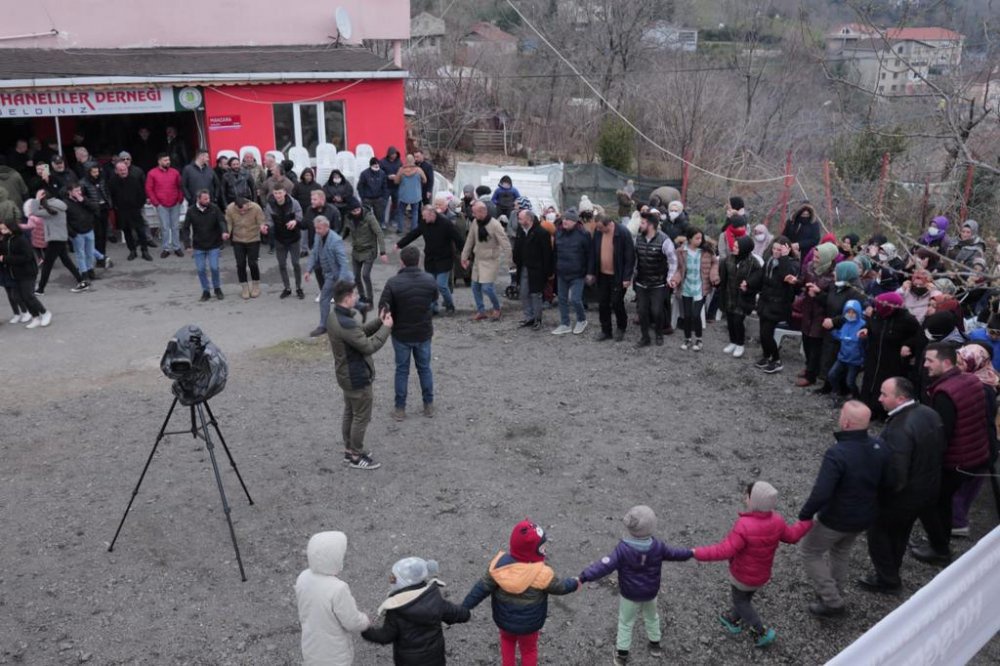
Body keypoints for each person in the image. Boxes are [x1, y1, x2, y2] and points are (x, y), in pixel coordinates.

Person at [798, 401, 890, 616]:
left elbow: (821, 491)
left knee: (809, 552)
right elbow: (888, 481)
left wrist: (805, 514)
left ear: (846, 422)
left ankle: (831, 600)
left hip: (836, 518)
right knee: (841, 551)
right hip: (863, 516)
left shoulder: (837, 453)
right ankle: (835, 591)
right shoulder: (880, 447)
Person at [693, 482, 812, 647]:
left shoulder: (744, 525)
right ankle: (733, 618)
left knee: (740, 600)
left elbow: (725, 550)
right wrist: (807, 522)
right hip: (761, 575)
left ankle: (760, 631)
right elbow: (792, 536)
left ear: (754, 501)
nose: (744, 497)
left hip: (742, 576)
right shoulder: (777, 520)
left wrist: (697, 552)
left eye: (747, 495)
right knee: (745, 598)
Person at [860, 377, 945, 593]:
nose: (879, 398)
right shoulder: (929, 413)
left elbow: (896, 473)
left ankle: (887, 580)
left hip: (903, 497)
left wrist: (877, 496)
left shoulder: (899, 428)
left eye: (884, 394)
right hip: (926, 490)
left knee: (879, 534)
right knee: (900, 533)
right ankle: (891, 572)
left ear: (901, 398)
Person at [579, 506, 693, 665]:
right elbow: (675, 553)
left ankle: (621, 656)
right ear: (652, 527)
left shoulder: (623, 549)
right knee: (652, 617)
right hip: (651, 593)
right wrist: (691, 552)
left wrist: (583, 577)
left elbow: (603, 566)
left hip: (629, 595)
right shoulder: (658, 546)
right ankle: (655, 646)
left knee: (625, 623)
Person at [911, 342, 992, 565]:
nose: (925, 365)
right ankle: (940, 541)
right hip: (974, 455)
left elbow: (941, 433)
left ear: (946, 363)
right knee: (942, 501)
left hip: (957, 461)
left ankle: (939, 549)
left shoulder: (945, 392)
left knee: (928, 501)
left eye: (929, 361)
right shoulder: (971, 380)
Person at [462, 520, 580, 666]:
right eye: (542, 547)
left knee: (507, 642)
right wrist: (575, 583)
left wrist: (464, 607)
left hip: (504, 620)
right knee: (529, 650)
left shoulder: (498, 566)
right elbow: (561, 587)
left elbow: (480, 588)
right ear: (533, 551)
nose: (546, 550)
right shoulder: (542, 573)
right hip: (529, 625)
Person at [327, 279, 390, 469]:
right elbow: (369, 345)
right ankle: (355, 455)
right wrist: (387, 327)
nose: (356, 296)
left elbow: (359, 332)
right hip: (356, 377)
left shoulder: (335, 316)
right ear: (347, 298)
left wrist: (379, 321)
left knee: (350, 412)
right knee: (361, 417)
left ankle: (349, 450)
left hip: (345, 375)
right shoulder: (346, 324)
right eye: (354, 294)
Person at [361, 556, 470, 665]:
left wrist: (365, 629)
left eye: (393, 578)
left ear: (404, 582)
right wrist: (466, 612)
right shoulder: (435, 600)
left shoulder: (397, 609)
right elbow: (458, 614)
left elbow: (385, 636)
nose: (390, 580)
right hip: (435, 659)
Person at [379, 246, 439, 420]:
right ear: (419, 260)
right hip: (423, 332)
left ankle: (400, 409)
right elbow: (434, 299)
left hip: (401, 334)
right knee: (425, 369)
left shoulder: (393, 282)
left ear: (402, 262)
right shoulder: (429, 280)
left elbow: (383, 308)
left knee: (402, 370)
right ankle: (428, 405)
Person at [295, 531, 371, 665]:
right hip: (335, 656)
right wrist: (365, 621)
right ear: (335, 560)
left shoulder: (303, 577)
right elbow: (351, 621)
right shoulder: (338, 589)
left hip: (310, 647)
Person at [950, 344, 999, 537]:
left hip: (979, 446)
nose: (958, 365)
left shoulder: (981, 388)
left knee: (963, 487)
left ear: (976, 363)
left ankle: (957, 523)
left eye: (963, 362)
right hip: (980, 446)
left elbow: (983, 422)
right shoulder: (984, 378)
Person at [858, 292, 922, 420]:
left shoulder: (907, 319)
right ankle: (867, 407)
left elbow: (918, 336)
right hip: (874, 356)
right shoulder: (877, 315)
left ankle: (884, 412)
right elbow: (870, 324)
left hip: (892, 360)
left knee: (887, 387)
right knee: (869, 381)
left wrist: (908, 345)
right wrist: (866, 329)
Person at [396, 203, 464, 317]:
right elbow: (414, 234)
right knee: (430, 285)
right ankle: (433, 308)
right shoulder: (424, 223)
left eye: (425, 216)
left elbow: (458, 239)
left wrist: (465, 256)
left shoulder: (446, 224)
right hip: (430, 259)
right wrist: (400, 244)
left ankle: (450, 305)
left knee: (441, 285)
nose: (423, 218)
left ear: (432, 214)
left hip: (444, 259)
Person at [795, 242, 839, 387]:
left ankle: (811, 376)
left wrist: (818, 293)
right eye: (814, 255)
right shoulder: (809, 267)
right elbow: (802, 282)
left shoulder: (833, 276)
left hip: (821, 314)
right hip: (807, 311)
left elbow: (832, 300)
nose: (814, 259)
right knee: (806, 341)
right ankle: (809, 367)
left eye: (818, 257)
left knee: (815, 346)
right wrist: (796, 282)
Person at [587, 212, 635, 342]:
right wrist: (591, 272)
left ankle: (621, 327)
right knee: (602, 303)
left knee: (616, 302)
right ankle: (605, 330)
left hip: (617, 276)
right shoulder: (598, 233)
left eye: (600, 227)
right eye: (597, 227)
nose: (598, 229)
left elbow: (630, 257)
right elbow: (593, 253)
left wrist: (627, 277)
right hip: (602, 275)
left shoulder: (623, 233)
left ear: (609, 224)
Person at [632, 211, 678, 348]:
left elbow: (673, 261)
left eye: (643, 222)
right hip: (641, 282)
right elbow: (634, 260)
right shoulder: (638, 239)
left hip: (658, 283)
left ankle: (659, 334)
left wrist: (670, 278)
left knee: (657, 311)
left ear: (651, 225)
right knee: (642, 311)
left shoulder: (665, 240)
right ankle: (645, 337)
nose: (640, 225)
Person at [755, 237, 799, 373]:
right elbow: (760, 277)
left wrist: (784, 257)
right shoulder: (769, 261)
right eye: (774, 248)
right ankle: (766, 355)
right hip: (765, 302)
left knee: (767, 333)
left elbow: (784, 276)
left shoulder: (791, 264)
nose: (775, 252)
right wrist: (749, 284)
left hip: (778, 304)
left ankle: (776, 359)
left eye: (779, 249)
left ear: (787, 250)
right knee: (762, 333)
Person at [461, 200, 512, 322]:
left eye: (474, 213)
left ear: (482, 211)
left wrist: (509, 261)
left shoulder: (495, 225)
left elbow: (505, 244)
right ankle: (481, 311)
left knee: (487, 287)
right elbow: (470, 240)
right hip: (478, 259)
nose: (473, 215)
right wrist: (464, 256)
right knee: (475, 287)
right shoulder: (475, 222)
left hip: (491, 260)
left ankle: (497, 308)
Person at [29, 191, 88, 294]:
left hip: (55, 239)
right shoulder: (58, 205)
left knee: (47, 264)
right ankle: (82, 281)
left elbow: (33, 212)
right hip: (61, 237)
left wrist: (36, 199)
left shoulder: (50, 209)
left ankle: (41, 289)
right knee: (66, 261)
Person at [714, 234, 762, 357]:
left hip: (743, 297)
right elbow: (723, 278)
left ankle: (740, 344)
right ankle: (733, 342)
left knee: (738, 320)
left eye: (736, 246)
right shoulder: (728, 260)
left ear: (745, 248)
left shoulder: (753, 263)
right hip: (729, 295)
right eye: (734, 245)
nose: (733, 248)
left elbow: (758, 280)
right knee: (730, 320)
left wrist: (748, 284)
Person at [305, 217, 354, 337]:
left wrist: (340, 282)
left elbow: (343, 263)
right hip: (328, 274)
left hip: (337, 276)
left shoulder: (336, 240)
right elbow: (314, 253)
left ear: (327, 227)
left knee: (325, 298)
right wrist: (308, 270)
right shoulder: (318, 236)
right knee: (342, 301)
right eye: (315, 228)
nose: (316, 231)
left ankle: (324, 326)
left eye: (319, 228)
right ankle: (347, 321)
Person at [0, 219, 51, 328]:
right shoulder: (5, 240)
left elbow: (26, 257)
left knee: (28, 296)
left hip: (27, 272)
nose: (3, 231)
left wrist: (5, 258)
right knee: (19, 296)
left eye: (5, 228)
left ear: (12, 228)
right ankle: (35, 317)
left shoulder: (21, 239)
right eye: (2, 229)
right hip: (14, 273)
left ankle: (45, 313)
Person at [341, 197, 387, 309]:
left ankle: (370, 299)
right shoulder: (348, 218)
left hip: (369, 250)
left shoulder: (369, 217)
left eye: (358, 209)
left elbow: (379, 233)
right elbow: (345, 231)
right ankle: (362, 296)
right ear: (350, 211)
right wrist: (337, 240)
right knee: (356, 276)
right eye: (354, 210)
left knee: (365, 275)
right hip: (356, 250)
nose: (357, 212)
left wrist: (383, 252)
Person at [181, 189, 227, 301]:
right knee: (201, 269)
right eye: (205, 199)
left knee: (214, 267)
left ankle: (217, 288)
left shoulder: (214, 208)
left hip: (214, 244)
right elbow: (185, 228)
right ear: (198, 199)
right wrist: (187, 244)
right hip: (198, 245)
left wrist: (224, 231)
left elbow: (221, 221)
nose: (208, 200)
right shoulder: (191, 211)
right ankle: (206, 290)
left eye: (209, 198)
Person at [513, 209, 553, 330]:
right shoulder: (521, 231)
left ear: (528, 219)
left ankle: (537, 319)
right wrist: (516, 260)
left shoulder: (541, 233)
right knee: (524, 293)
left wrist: (549, 272)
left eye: (520, 218)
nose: (519, 221)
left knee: (536, 294)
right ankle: (529, 317)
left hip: (537, 269)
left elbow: (547, 254)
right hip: (524, 267)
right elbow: (517, 248)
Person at [263, 185, 305, 299]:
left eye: (280, 193)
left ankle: (298, 287)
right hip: (279, 239)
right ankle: (287, 288)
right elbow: (269, 220)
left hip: (294, 238)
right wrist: (266, 226)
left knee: (296, 263)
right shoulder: (270, 205)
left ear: (285, 193)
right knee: (282, 264)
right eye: (276, 193)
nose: (278, 196)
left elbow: (300, 216)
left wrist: (295, 221)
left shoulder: (294, 203)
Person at [108, 161, 152, 261]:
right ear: (116, 171)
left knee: (141, 231)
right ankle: (132, 251)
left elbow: (141, 194)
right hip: (122, 212)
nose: (123, 171)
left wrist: (138, 206)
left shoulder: (134, 180)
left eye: (124, 169)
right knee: (127, 232)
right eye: (121, 170)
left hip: (135, 210)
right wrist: (116, 207)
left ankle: (144, 251)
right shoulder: (112, 182)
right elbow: (111, 196)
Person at [65, 183, 109, 282]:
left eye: (79, 190)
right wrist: (72, 233)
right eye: (76, 191)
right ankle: (83, 274)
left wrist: (83, 200)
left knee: (89, 253)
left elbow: (95, 208)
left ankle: (90, 271)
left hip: (89, 229)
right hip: (77, 233)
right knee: (80, 254)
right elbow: (65, 221)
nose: (79, 193)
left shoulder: (84, 199)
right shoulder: (66, 204)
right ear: (70, 192)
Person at [145, 153, 185, 258]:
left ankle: (177, 247)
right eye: (165, 160)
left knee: (175, 227)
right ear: (159, 161)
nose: (168, 162)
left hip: (175, 203)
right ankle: (166, 248)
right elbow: (149, 188)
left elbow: (180, 186)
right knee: (165, 227)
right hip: (161, 204)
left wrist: (180, 199)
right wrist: (156, 203)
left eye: (168, 160)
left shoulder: (175, 172)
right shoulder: (152, 173)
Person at [225, 196, 264, 299]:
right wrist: (227, 233)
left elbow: (261, 221)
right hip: (238, 240)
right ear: (236, 206)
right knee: (240, 264)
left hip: (253, 239)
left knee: (252, 263)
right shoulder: (230, 209)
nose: (242, 212)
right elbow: (228, 223)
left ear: (248, 205)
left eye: (244, 210)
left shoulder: (256, 208)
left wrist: (262, 227)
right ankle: (244, 287)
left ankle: (256, 285)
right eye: (240, 211)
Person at [826, 300, 867, 399]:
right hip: (842, 358)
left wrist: (863, 360)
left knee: (850, 382)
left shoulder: (863, 325)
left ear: (858, 312)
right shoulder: (845, 324)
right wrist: (830, 329)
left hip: (855, 361)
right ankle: (836, 391)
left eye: (853, 312)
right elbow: (840, 335)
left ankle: (856, 396)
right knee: (831, 375)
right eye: (848, 312)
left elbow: (866, 344)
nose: (851, 314)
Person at [80, 162, 112, 263]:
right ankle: (98, 258)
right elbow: (83, 199)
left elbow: (106, 191)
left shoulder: (102, 180)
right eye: (94, 172)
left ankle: (102, 255)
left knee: (103, 234)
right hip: (93, 211)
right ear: (88, 172)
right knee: (97, 235)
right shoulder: (83, 183)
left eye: (97, 171)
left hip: (104, 208)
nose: (96, 174)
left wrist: (109, 203)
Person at [302, 190, 341, 264]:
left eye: (314, 199)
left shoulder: (333, 211)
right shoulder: (309, 210)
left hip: (328, 248)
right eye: (311, 199)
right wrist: (295, 223)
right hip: (314, 247)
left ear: (322, 199)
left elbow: (337, 229)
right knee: (318, 272)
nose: (312, 201)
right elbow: (304, 225)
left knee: (329, 272)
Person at [392, 156, 425, 235]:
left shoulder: (401, 170)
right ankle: (413, 230)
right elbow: (425, 180)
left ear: (405, 161)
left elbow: (396, 182)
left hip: (404, 195)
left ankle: (400, 229)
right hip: (416, 195)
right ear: (413, 160)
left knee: (401, 212)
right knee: (415, 212)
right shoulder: (419, 170)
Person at [357, 157, 389, 230]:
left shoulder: (382, 173)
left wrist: (384, 197)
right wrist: (363, 197)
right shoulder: (364, 174)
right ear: (371, 166)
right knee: (366, 215)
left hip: (379, 198)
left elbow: (385, 186)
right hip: (367, 198)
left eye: (378, 166)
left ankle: (379, 227)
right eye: (375, 166)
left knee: (379, 215)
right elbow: (360, 186)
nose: (376, 167)